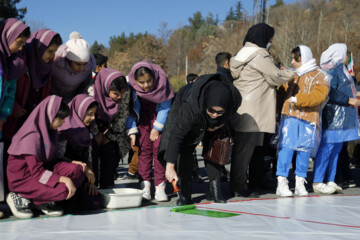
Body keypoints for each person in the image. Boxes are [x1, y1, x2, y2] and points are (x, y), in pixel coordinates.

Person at [229, 23, 294, 197]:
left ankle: (244, 183)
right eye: (270, 39)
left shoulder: (243, 53)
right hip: (255, 108)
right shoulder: (259, 54)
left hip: (243, 107)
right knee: (247, 150)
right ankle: (240, 186)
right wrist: (292, 73)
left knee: (245, 149)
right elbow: (275, 77)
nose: (271, 42)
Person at [159, 73, 241, 204]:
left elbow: (228, 115)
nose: (214, 115)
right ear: (206, 104)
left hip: (214, 120)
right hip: (188, 110)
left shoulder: (233, 99)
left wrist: (219, 123)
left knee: (217, 146)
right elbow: (176, 135)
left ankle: (214, 189)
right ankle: (185, 193)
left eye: (219, 112)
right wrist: (170, 166)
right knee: (185, 150)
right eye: (212, 111)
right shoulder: (190, 107)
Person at [6, 95, 86, 219]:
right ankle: (20, 196)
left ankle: (41, 200)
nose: (63, 122)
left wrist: (72, 162)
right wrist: (65, 179)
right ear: (50, 116)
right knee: (63, 190)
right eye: (60, 119)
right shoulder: (31, 137)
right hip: (24, 178)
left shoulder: (48, 131)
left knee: (77, 170)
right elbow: (37, 172)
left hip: (41, 170)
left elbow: (51, 159)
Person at [275, 45, 330, 197]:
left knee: (304, 150)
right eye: (292, 58)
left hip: (309, 118)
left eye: (296, 59)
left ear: (303, 58)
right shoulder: (292, 75)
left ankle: (300, 181)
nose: (293, 62)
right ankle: (282, 181)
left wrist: (298, 99)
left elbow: (319, 96)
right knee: (286, 148)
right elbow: (280, 94)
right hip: (290, 116)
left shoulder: (319, 75)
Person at [312, 43, 360, 194]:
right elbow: (330, 92)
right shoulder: (332, 70)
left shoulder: (342, 70)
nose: (348, 57)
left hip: (342, 118)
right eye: (346, 54)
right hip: (333, 118)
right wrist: (348, 100)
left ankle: (331, 179)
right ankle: (318, 181)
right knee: (327, 149)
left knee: (336, 150)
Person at [127, 60, 174, 201]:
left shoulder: (162, 83)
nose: (146, 85)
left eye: (149, 81)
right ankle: (145, 186)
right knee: (143, 153)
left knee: (159, 152)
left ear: (154, 77)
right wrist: (132, 130)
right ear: (136, 81)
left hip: (159, 121)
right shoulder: (131, 87)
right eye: (142, 82)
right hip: (142, 122)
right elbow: (130, 110)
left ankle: (160, 187)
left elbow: (165, 107)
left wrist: (157, 127)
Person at [3, 29, 62, 142]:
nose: (53, 56)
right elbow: (7, 87)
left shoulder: (47, 68)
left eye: (55, 51)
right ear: (39, 48)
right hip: (13, 118)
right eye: (50, 51)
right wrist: (14, 108)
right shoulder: (19, 62)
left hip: (32, 122)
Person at [93, 68, 128, 188]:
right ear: (106, 88)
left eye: (122, 93)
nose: (120, 97)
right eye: (116, 94)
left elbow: (123, 115)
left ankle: (107, 188)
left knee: (109, 158)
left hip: (111, 131)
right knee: (93, 158)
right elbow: (87, 115)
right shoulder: (92, 92)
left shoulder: (124, 94)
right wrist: (96, 133)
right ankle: (92, 187)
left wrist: (110, 135)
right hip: (93, 130)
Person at [0, 18, 30, 139]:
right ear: (8, 37)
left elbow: (10, 94)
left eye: (23, 44)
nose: (20, 48)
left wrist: (3, 115)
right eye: (19, 43)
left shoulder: (13, 63)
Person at [51, 31, 95, 103]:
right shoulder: (55, 64)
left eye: (85, 64)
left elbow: (84, 87)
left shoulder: (87, 71)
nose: (82, 68)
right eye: (78, 64)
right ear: (70, 60)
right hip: (51, 99)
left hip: (71, 102)